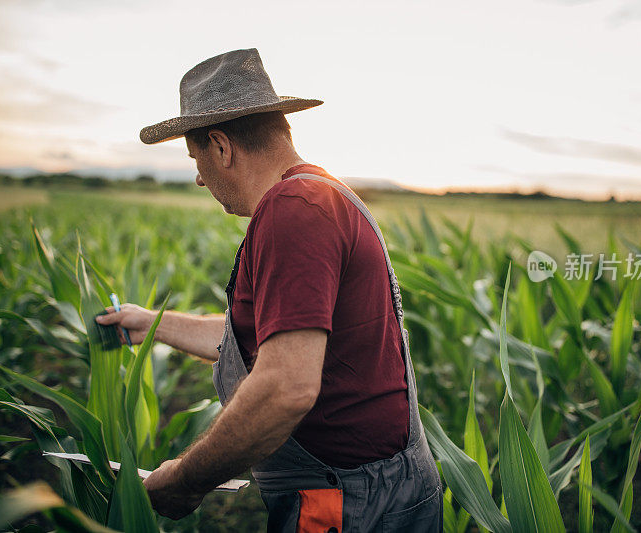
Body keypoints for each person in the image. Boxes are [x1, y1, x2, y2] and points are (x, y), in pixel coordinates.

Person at [96, 48, 442, 532]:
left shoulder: (293, 209)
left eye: (196, 158)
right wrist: (150, 323)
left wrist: (185, 479)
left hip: (349, 502)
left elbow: (285, 386)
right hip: (377, 487)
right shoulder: (318, 193)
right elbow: (275, 341)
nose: (199, 177)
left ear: (221, 146)